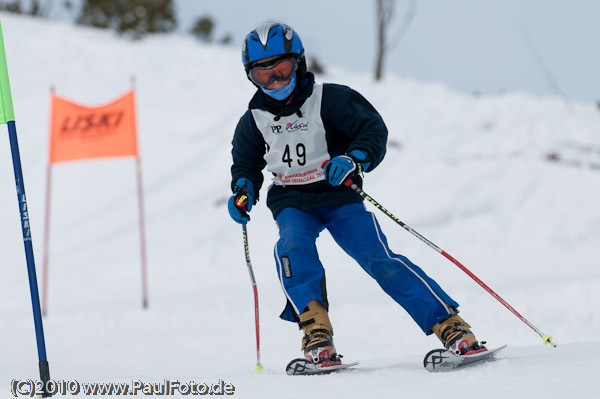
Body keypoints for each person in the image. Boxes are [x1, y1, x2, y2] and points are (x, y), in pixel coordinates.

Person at [228, 22, 485, 364]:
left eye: (281, 70)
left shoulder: (330, 98)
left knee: (378, 259)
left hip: (338, 196)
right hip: (292, 200)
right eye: (263, 75)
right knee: (291, 247)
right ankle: (315, 331)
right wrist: (243, 191)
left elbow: (371, 130)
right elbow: (245, 164)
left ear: (298, 63)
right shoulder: (253, 120)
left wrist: (354, 159)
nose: (274, 81)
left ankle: (450, 325)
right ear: (251, 77)